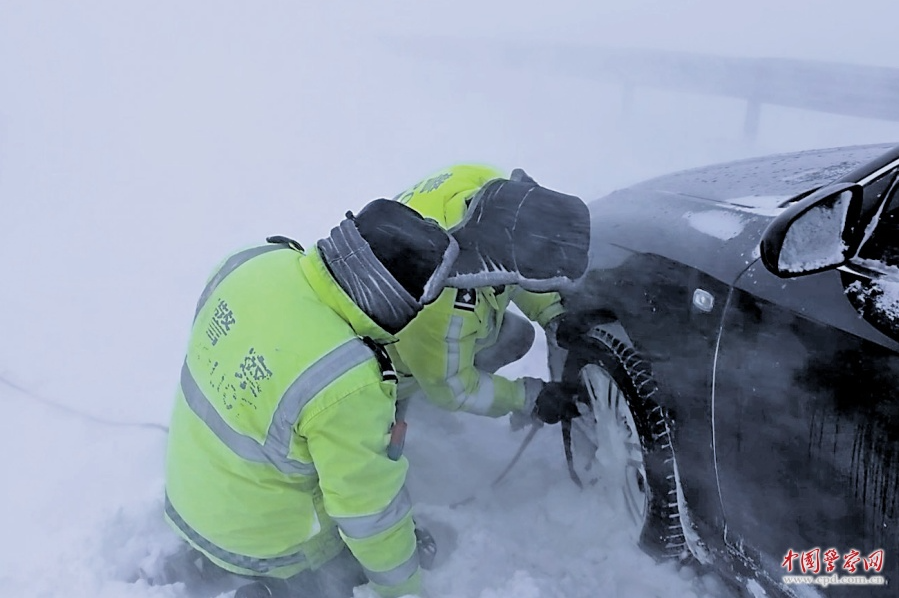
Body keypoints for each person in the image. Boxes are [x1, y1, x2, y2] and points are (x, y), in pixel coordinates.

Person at [162, 181, 589, 598]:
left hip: (190, 491)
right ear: (388, 303)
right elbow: (368, 514)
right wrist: (402, 589)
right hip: (265, 538)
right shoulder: (347, 381)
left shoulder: (253, 261)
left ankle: (203, 560)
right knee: (347, 559)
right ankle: (280, 585)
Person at [387, 164, 585, 428]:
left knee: (516, 336)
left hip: (423, 313)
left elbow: (520, 259)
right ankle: (418, 406)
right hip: (383, 367)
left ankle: (431, 379)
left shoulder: (490, 186)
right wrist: (528, 398)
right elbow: (453, 390)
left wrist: (552, 314)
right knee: (389, 435)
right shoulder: (439, 299)